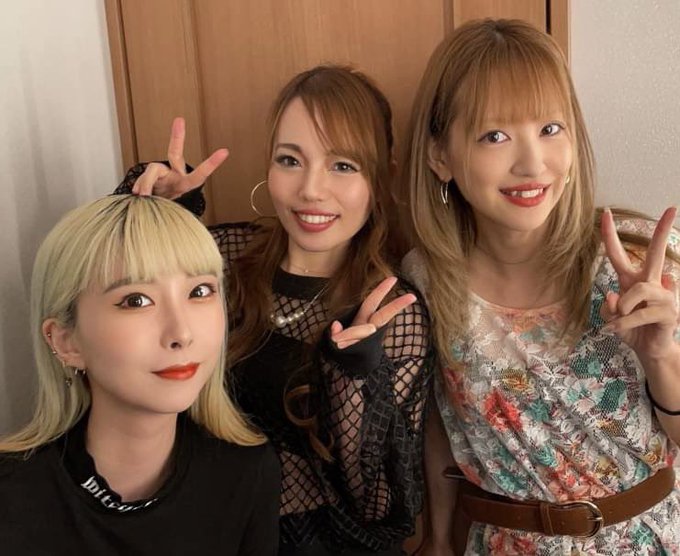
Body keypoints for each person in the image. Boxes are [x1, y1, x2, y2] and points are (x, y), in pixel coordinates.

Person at [115, 65, 432, 555]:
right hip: (198, 534)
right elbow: (110, 304)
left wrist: (354, 376)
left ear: (382, 176)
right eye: (290, 160)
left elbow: (378, 508)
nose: (311, 189)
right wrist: (159, 217)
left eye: (343, 166)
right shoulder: (219, 258)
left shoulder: (393, 310)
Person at [399, 18, 680, 555]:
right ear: (440, 156)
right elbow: (439, 425)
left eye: (550, 128)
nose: (532, 164)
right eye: (495, 136)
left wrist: (661, 356)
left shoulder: (640, 259)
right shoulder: (427, 280)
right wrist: (436, 538)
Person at [0, 195, 280, 555]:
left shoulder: (246, 473)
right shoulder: (12, 493)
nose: (182, 333)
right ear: (66, 341)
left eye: (200, 291)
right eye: (136, 300)